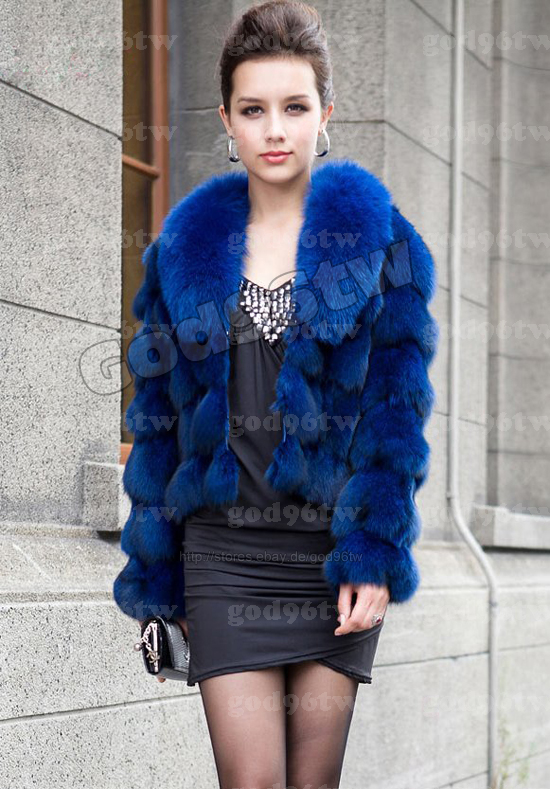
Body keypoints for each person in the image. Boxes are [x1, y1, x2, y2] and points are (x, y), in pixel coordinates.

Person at [113, 1, 439, 787]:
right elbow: (156, 427)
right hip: (223, 558)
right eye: (253, 109)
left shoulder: (383, 242)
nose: (274, 129)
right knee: (253, 779)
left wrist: (374, 552)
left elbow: (397, 414)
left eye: (294, 106)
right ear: (227, 119)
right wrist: (158, 580)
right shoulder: (181, 252)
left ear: (325, 114)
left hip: (331, 558)